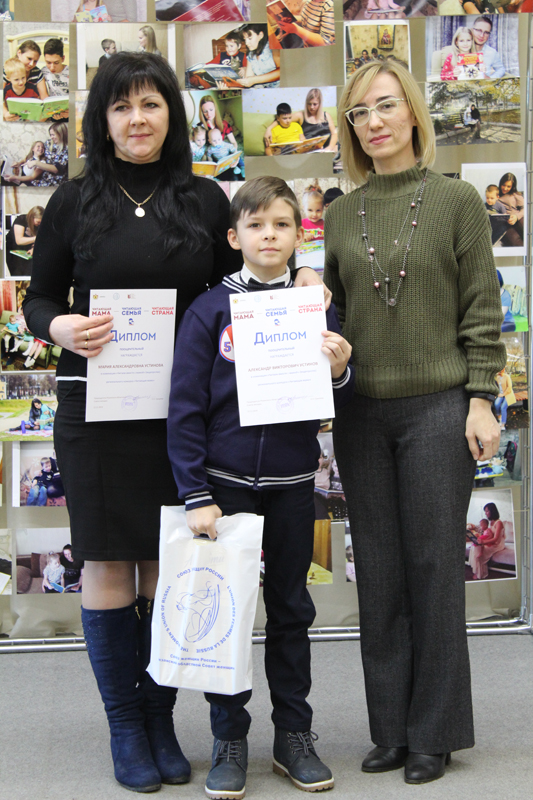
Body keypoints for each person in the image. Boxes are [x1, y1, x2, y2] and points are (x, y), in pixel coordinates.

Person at [22, 52, 324, 794]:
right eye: (122, 106)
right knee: (106, 562)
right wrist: (59, 327)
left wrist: (306, 280)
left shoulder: (204, 199)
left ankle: (161, 720)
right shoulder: (73, 200)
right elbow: (39, 297)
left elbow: (243, 282)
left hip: (185, 418)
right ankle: (127, 726)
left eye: (151, 104)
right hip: (95, 410)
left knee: (167, 566)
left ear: (171, 114)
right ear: (102, 118)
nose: (137, 119)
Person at [325, 59, 505, 784]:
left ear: (412, 113)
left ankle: (434, 732)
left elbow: (482, 307)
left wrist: (480, 397)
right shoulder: (339, 214)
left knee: (432, 570)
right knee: (379, 573)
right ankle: (392, 730)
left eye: (386, 106)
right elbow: (336, 316)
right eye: (360, 113)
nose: (374, 122)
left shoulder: (457, 200)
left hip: (437, 408)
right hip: (360, 415)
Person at [168, 176, 354, 800]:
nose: (268, 235)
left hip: (293, 483)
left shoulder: (313, 305)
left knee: (292, 611)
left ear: (299, 235)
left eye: (281, 224)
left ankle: (293, 737)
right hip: (225, 491)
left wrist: (340, 370)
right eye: (255, 225)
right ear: (234, 236)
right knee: (227, 612)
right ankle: (229, 739)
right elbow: (185, 408)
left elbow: (338, 396)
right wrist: (196, 493)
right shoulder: (209, 309)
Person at [264, 88, 337, 153]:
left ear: (320, 104)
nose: (311, 107)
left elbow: (334, 133)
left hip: (329, 147)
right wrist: (269, 129)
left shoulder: (326, 115)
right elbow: (282, 119)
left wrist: (330, 147)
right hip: (312, 150)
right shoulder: (301, 115)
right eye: (309, 104)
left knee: (336, 148)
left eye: (315, 104)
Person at [468, 503, 507, 579]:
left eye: (487, 511)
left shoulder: (499, 523)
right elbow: (489, 534)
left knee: (478, 549)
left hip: (498, 544)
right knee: (475, 547)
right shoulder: (491, 522)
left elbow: (496, 539)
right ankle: (477, 571)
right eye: (485, 511)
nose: (485, 513)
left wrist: (483, 542)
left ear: (492, 511)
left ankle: (481, 574)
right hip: (491, 541)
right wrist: (480, 539)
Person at [6, 204, 44, 275]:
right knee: (18, 272)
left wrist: (33, 248)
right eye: (38, 222)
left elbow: (40, 241)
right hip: (13, 251)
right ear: (32, 217)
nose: (39, 224)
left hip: (27, 253)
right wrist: (36, 238)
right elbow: (19, 241)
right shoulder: (21, 219)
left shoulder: (40, 225)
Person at [497, 172, 524, 246]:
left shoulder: (514, 194)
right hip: (505, 223)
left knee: (525, 228)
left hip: (517, 218)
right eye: (503, 185)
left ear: (512, 187)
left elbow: (525, 208)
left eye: (508, 186)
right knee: (515, 241)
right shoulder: (496, 194)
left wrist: (516, 217)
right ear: (500, 183)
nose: (505, 188)